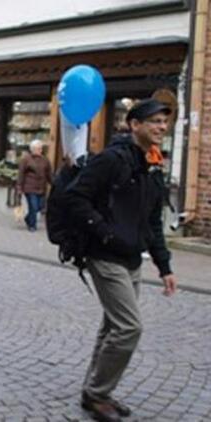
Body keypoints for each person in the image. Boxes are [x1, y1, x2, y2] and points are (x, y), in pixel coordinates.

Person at [66, 99, 177, 422]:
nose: (161, 127)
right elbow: (76, 197)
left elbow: (153, 221)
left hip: (132, 259)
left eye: (163, 122)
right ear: (134, 125)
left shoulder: (152, 165)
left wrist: (165, 266)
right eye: (154, 121)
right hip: (105, 256)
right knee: (129, 328)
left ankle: (94, 392)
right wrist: (104, 233)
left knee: (113, 327)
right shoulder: (111, 160)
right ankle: (98, 394)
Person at [16, 139, 52, 232]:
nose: (40, 150)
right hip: (30, 187)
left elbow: (49, 173)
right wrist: (19, 187)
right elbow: (21, 174)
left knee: (40, 206)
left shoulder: (45, 160)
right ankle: (32, 225)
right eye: (38, 148)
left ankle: (28, 218)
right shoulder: (26, 159)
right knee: (33, 206)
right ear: (32, 149)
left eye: (41, 148)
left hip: (41, 187)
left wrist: (53, 183)